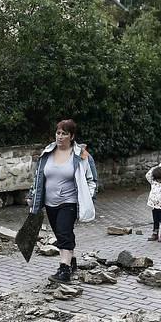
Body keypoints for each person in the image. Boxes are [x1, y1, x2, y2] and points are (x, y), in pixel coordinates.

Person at [30, 119, 98, 284]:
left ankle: (64, 270)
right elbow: (38, 177)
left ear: (72, 136)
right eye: (58, 133)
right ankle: (71, 261)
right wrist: (32, 195)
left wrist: (87, 198)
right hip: (50, 202)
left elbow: (92, 180)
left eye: (64, 134)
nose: (60, 137)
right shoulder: (47, 153)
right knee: (61, 234)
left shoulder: (81, 155)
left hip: (70, 201)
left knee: (63, 231)